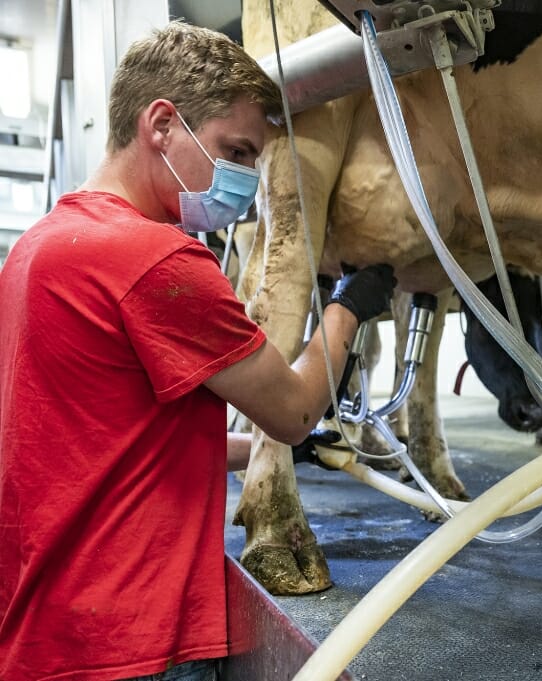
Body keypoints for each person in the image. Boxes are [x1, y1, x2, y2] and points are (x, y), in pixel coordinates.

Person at [0, 21, 396, 681]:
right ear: (161, 123)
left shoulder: (37, 247)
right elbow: (294, 409)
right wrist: (347, 309)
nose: (243, 182)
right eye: (235, 151)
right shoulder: (157, 258)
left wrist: (263, 455)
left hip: (50, 628)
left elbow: (102, 439)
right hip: (137, 641)